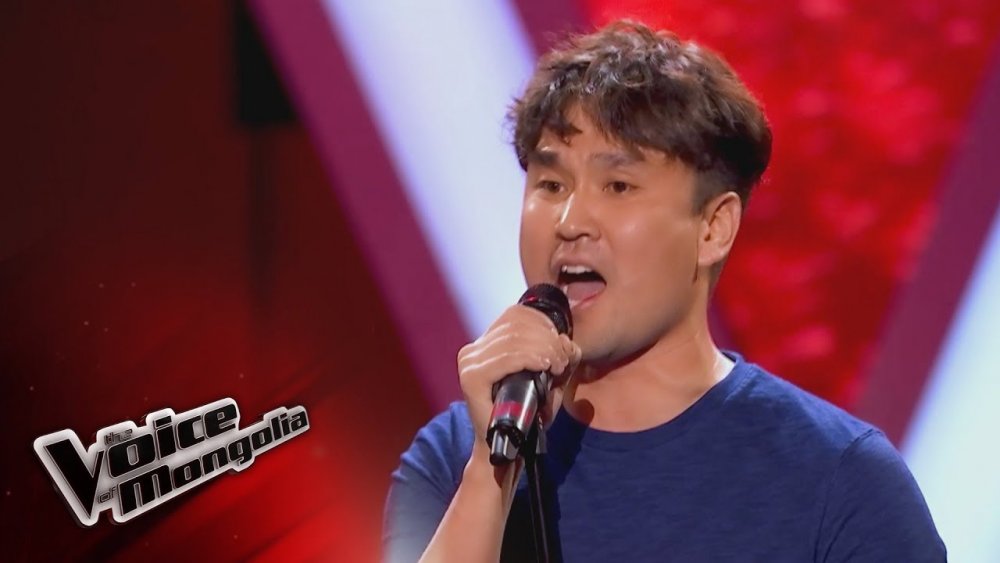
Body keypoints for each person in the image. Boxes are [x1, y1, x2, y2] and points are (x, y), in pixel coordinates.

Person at [382, 20, 945, 562]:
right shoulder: (453, 460)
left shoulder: (839, 483)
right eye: (551, 184)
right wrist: (491, 471)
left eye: (618, 186)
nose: (571, 221)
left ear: (712, 228)